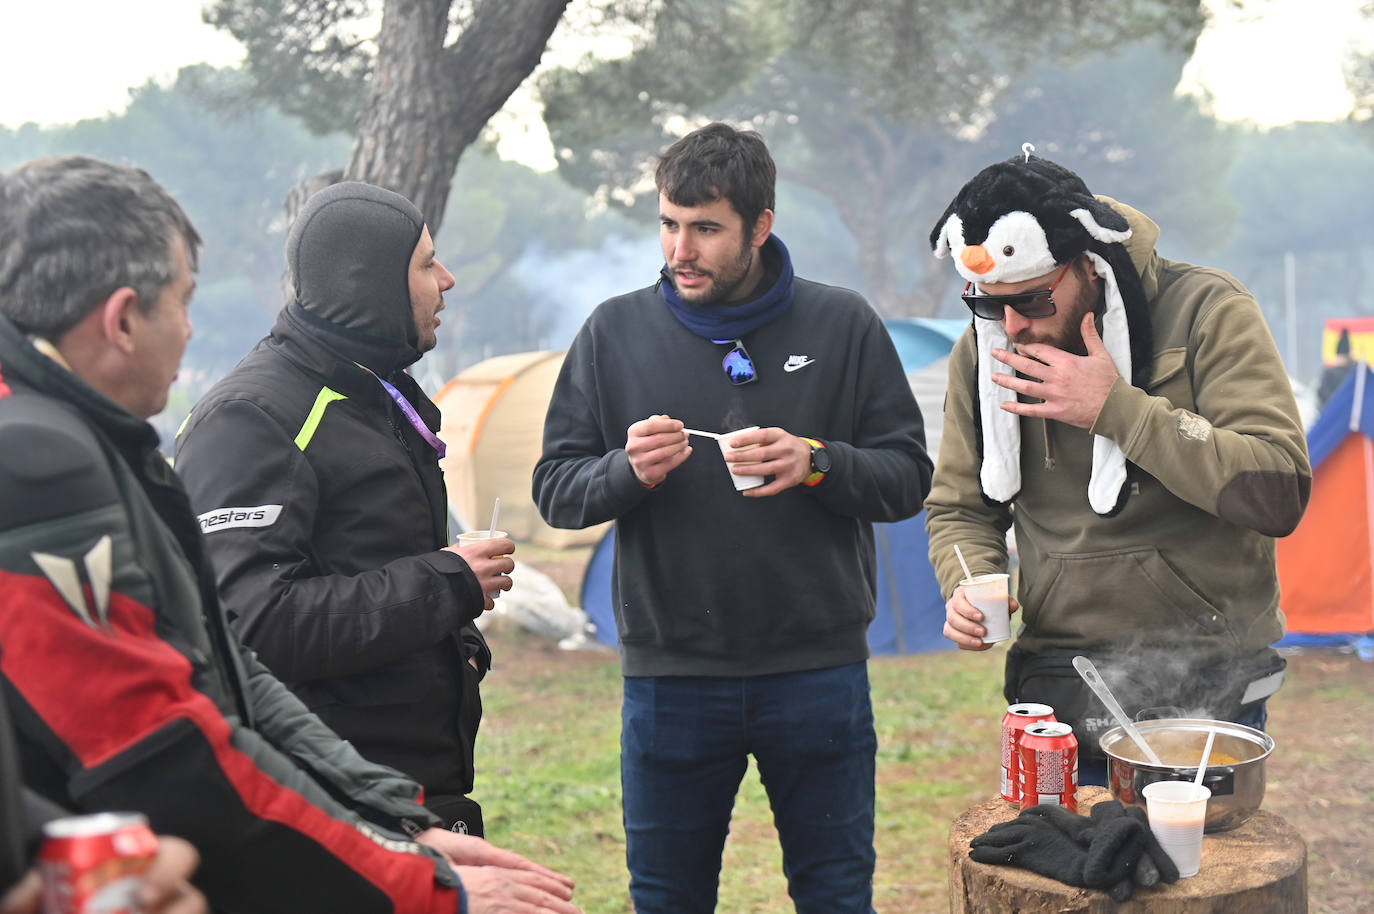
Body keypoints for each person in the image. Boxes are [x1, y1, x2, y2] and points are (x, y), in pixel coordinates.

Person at [0, 155, 578, 914]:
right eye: (184, 300)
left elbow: (224, 670)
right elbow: (161, 740)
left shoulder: (80, 436)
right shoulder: (39, 460)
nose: (192, 328)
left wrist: (391, 820)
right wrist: (417, 884)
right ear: (121, 319)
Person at [532, 122, 932, 914]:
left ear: (759, 227)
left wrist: (818, 461)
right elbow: (555, 488)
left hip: (816, 673)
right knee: (667, 900)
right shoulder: (614, 333)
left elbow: (908, 477)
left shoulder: (842, 324)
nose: (681, 249)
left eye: (707, 229)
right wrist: (625, 471)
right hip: (671, 681)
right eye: (670, 224)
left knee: (837, 895)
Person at [924, 150, 1311, 785]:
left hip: (1207, 667)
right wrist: (968, 582)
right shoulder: (988, 345)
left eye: (1032, 301)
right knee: (1065, 877)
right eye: (989, 305)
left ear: (1088, 266)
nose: (1013, 326)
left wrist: (1117, 410)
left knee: (1196, 875)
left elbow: (1277, 492)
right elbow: (961, 506)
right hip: (1058, 673)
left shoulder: (1207, 310)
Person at [173, 182, 509, 837]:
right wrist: (449, 582)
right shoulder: (253, 417)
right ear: (369, 281)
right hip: (326, 803)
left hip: (412, 787)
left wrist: (459, 642)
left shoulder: (372, 393)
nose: (448, 279)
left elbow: (385, 554)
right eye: (425, 264)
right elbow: (252, 625)